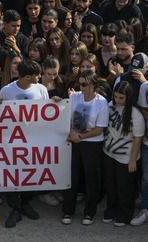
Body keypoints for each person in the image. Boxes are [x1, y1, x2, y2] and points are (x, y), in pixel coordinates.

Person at [0, 59, 47, 228]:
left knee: (30, 173)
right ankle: (15, 208)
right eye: (37, 75)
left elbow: (47, 113)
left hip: (33, 141)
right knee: (11, 174)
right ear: (27, 77)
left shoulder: (41, 89)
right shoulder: (7, 90)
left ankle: (24, 203)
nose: (40, 77)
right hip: (11, 141)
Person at [61, 70, 108, 225]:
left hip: (92, 144)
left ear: (93, 86)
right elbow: (66, 116)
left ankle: (90, 212)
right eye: (79, 84)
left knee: (91, 178)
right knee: (71, 177)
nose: (81, 87)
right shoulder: (75, 97)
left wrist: (80, 136)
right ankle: (67, 211)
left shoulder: (101, 102)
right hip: (74, 141)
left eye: (84, 84)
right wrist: (73, 132)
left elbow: (99, 129)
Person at [103, 82, 144, 227]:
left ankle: (125, 214)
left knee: (124, 188)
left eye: (121, 98)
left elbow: (138, 138)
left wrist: (133, 160)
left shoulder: (135, 115)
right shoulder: (109, 105)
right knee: (111, 186)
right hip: (108, 153)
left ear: (129, 97)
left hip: (126, 157)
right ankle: (111, 210)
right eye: (115, 97)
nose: (117, 100)